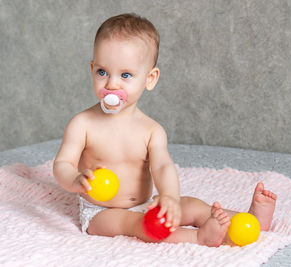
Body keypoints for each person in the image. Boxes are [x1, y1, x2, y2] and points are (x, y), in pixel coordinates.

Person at [53, 13, 276, 247]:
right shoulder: (82, 123)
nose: (111, 84)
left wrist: (169, 198)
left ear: (150, 79)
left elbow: (162, 166)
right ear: (92, 69)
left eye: (125, 75)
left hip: (145, 202)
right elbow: (62, 165)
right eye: (102, 72)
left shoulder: (151, 130)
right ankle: (199, 237)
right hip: (101, 213)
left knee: (190, 205)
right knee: (136, 224)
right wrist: (75, 180)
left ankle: (250, 222)